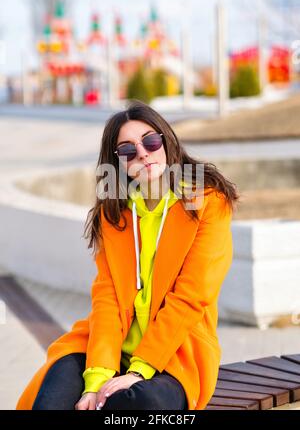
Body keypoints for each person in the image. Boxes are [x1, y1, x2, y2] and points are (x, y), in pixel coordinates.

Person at [16, 100, 239, 411]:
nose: (143, 154)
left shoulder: (207, 204)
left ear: (166, 141)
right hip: (106, 348)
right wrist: (96, 381)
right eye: (127, 150)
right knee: (53, 398)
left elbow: (192, 297)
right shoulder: (115, 215)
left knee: (129, 404)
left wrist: (138, 371)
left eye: (150, 141)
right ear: (118, 161)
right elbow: (106, 299)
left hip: (176, 353)